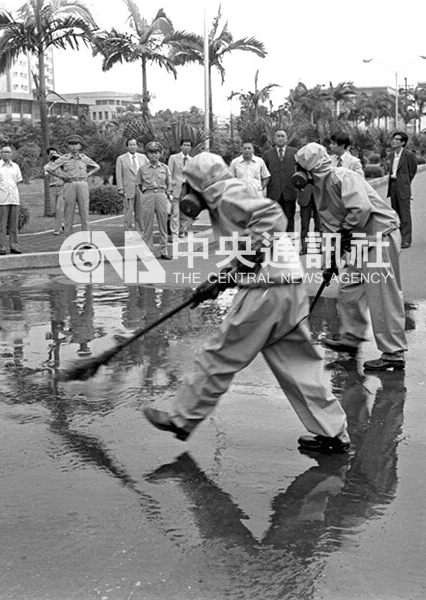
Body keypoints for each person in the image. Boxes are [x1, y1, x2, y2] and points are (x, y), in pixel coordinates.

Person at [143, 152, 351, 454]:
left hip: (265, 290)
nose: (186, 193)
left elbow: (273, 217)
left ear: (201, 183)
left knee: (220, 355)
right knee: (299, 364)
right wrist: (222, 278)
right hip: (287, 286)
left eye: (188, 185)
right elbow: (250, 244)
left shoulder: (227, 194)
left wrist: (242, 264)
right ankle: (333, 432)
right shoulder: (227, 196)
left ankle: (182, 417)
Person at [295, 142, 408, 371]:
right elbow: (330, 227)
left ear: (310, 168)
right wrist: (331, 261)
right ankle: (351, 339)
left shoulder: (342, 176)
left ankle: (393, 353)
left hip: (378, 236)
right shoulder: (320, 187)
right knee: (349, 289)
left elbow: (361, 209)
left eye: (299, 167)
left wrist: (346, 232)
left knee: (382, 295)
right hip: (359, 240)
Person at [45, 134, 100, 234]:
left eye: (76, 144)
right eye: (71, 144)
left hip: (82, 184)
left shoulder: (84, 158)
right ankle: (68, 238)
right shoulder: (64, 158)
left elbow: (96, 166)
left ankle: (86, 238)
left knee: (84, 212)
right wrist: (61, 176)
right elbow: (49, 168)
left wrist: (88, 174)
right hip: (69, 184)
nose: (74, 146)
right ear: (68, 146)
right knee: (68, 212)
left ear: (80, 146)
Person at [136, 141, 172, 260]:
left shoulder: (165, 168)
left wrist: (167, 194)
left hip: (161, 195)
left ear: (160, 153)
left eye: (156, 152)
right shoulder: (142, 169)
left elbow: (169, 184)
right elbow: (140, 185)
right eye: (151, 153)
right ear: (147, 154)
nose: (154, 155)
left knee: (163, 224)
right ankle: (148, 252)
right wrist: (148, 193)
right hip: (148, 195)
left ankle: (164, 251)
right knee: (147, 225)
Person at [0, 145, 23, 255]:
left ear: (11, 154)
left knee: (14, 224)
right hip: (1, 199)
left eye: (8, 152)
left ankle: (14, 245)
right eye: (4, 152)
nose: (6, 154)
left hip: (13, 198)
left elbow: (17, 181)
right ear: (0, 154)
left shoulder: (15, 166)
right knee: (2, 225)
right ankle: (2, 247)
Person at [385, 131, 418, 249]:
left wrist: (405, 182)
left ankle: (406, 240)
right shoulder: (391, 155)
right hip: (393, 185)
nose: (394, 141)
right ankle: (397, 238)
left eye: (397, 139)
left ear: (403, 142)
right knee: (395, 213)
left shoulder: (408, 155)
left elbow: (412, 170)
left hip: (403, 186)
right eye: (393, 139)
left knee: (405, 214)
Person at [264, 130, 299, 232]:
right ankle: (275, 245)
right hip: (273, 194)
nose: (280, 138)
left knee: (289, 220)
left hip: (289, 192)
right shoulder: (267, 154)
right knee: (274, 222)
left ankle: (290, 245)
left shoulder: (294, 152)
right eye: (278, 136)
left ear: (286, 139)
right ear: (274, 139)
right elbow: (264, 173)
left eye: (282, 136)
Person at [115, 138, 147, 232]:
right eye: (130, 145)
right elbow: (119, 174)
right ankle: (128, 232)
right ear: (127, 147)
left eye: (134, 144)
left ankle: (140, 232)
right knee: (128, 213)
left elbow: (147, 171)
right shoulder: (121, 159)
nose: (132, 146)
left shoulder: (143, 157)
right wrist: (120, 188)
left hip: (141, 188)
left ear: (137, 146)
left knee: (140, 212)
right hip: (128, 188)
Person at [167, 138, 193, 239]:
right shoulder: (173, 158)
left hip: (187, 189)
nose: (186, 147)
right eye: (184, 145)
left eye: (188, 145)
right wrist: (169, 188)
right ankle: (174, 233)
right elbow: (169, 173)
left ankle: (182, 231)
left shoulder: (192, 160)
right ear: (181, 146)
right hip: (176, 188)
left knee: (185, 212)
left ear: (190, 147)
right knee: (175, 212)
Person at [45, 146, 66, 235]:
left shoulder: (62, 163)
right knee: (54, 210)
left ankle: (57, 229)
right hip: (52, 188)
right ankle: (61, 223)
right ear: (48, 156)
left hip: (62, 187)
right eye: (51, 154)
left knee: (59, 208)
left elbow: (67, 170)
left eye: (54, 153)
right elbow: (47, 176)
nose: (53, 155)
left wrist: (59, 159)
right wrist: (53, 164)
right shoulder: (47, 166)